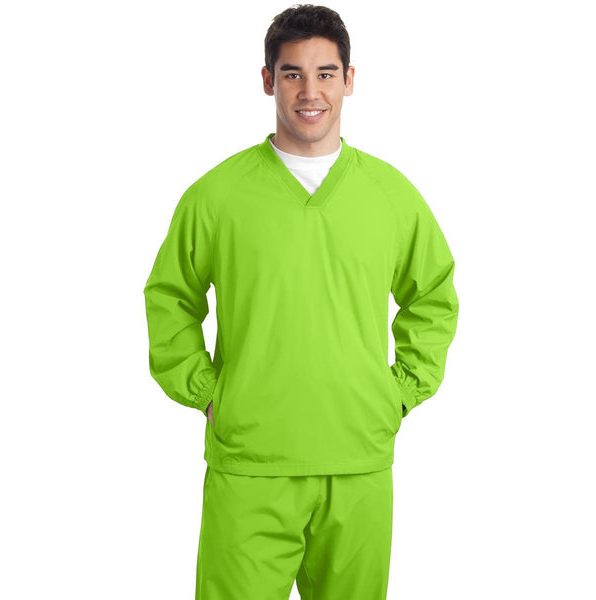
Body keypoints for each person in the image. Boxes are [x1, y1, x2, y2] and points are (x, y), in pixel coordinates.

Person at [143, 4, 459, 599]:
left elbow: (433, 294)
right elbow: (169, 297)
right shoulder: (217, 196)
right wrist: (207, 392)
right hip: (250, 461)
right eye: (292, 74)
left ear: (349, 79)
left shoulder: (390, 196)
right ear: (268, 80)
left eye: (325, 73)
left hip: (357, 459)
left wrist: (399, 391)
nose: (310, 92)